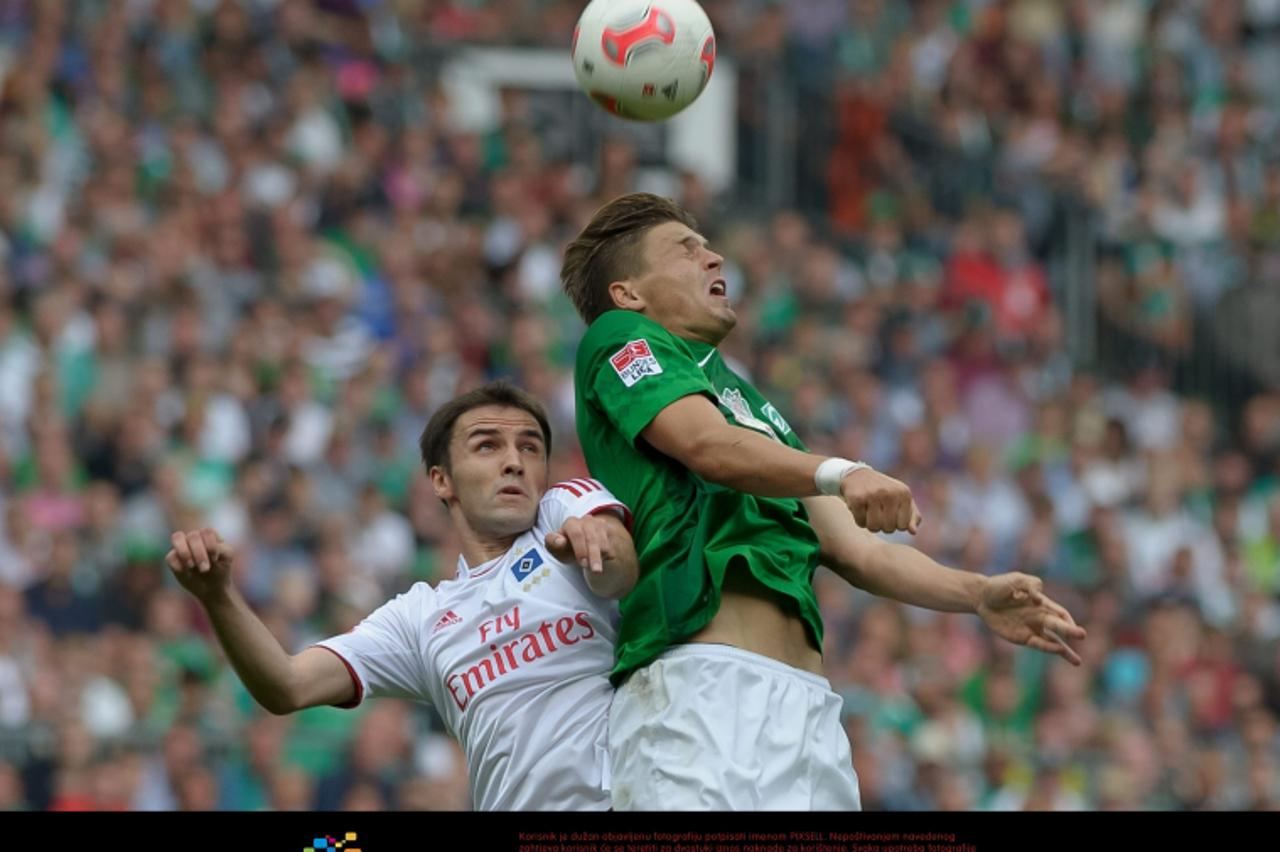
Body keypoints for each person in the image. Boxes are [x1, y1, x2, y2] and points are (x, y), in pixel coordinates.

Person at [561, 193, 1087, 810]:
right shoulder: (618, 336)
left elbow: (854, 551)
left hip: (807, 713)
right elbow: (706, 446)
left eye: (707, 245)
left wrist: (975, 594)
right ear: (630, 294)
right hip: (698, 690)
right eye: (686, 249)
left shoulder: (750, 404)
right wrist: (843, 472)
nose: (714, 256)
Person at [164, 381, 637, 810]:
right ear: (441, 480)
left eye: (530, 447)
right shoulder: (419, 618)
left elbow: (617, 572)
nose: (514, 460)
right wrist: (218, 597)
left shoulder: (563, 512)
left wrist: (599, 544)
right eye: (487, 445)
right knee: (329, 845)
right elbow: (287, 685)